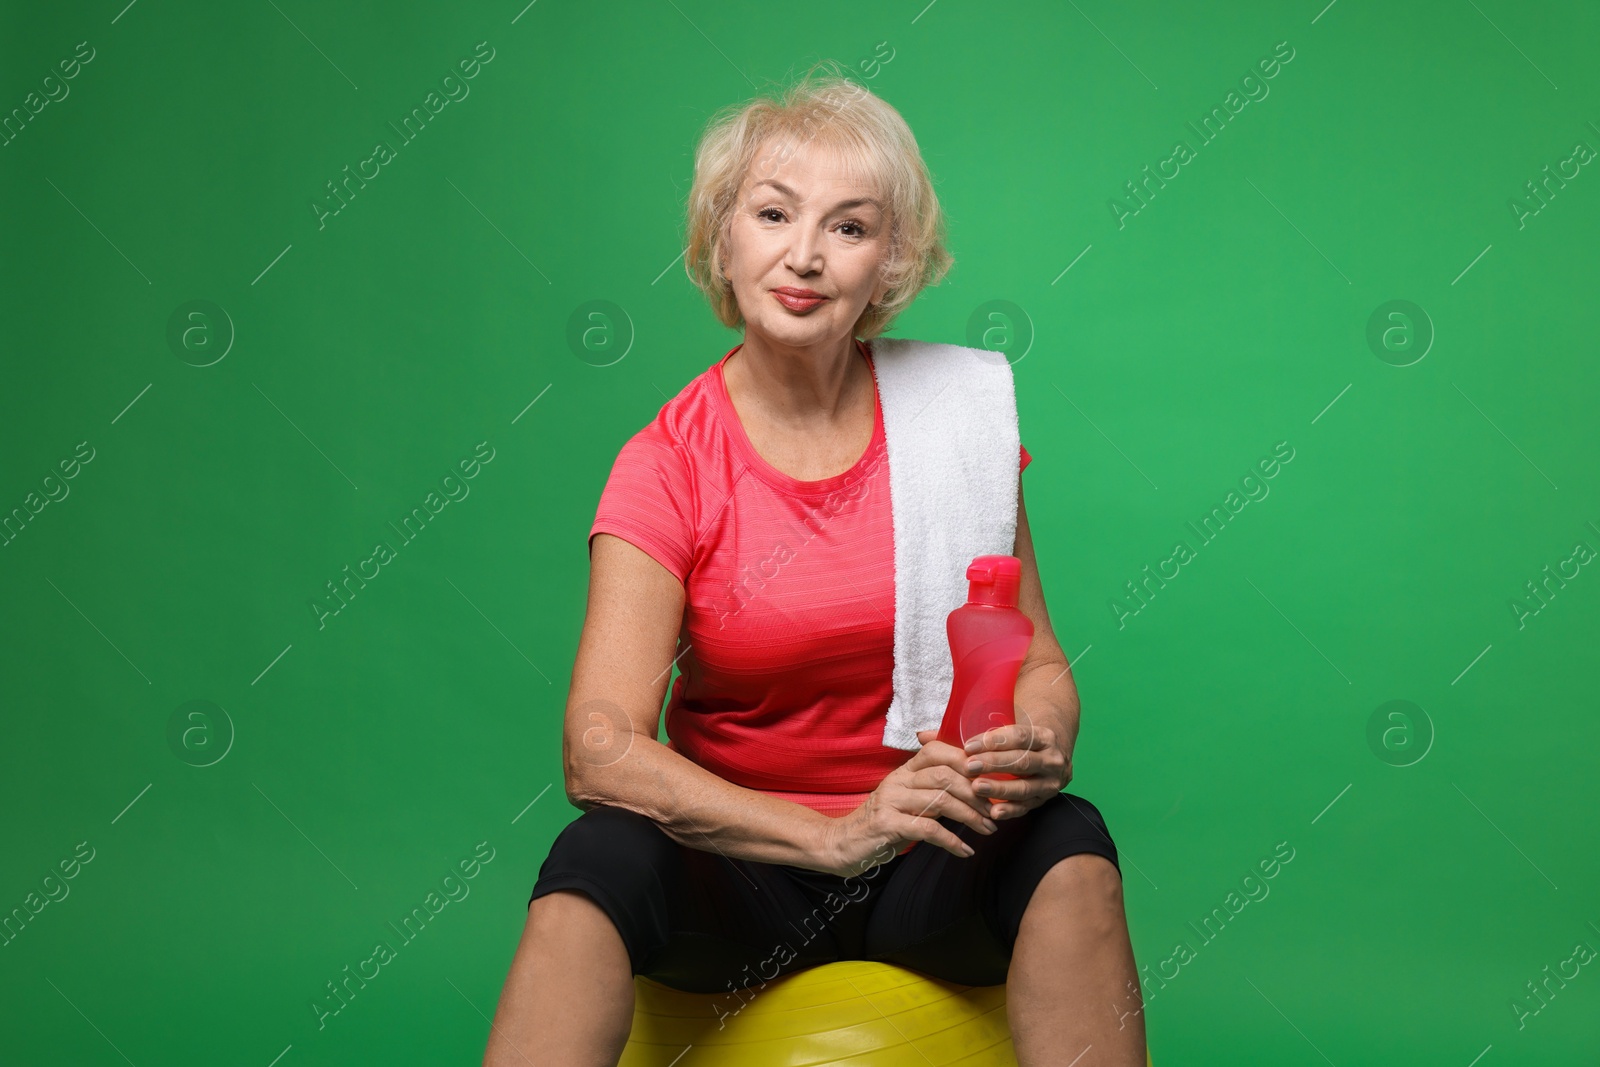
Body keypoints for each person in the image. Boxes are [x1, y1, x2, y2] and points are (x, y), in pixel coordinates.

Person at [483, 62, 1146, 1066]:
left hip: (934, 853)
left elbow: (1041, 664)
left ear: (890, 263)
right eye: (772, 214)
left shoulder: (955, 423)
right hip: (744, 873)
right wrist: (831, 835)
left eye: (848, 226)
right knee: (596, 851)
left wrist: (1041, 740)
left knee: (1070, 835)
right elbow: (599, 745)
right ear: (719, 239)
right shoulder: (666, 464)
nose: (804, 257)